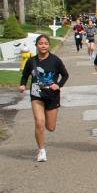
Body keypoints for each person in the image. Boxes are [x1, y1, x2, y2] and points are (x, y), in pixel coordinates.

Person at [18, 34, 69, 162]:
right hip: (37, 95)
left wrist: (58, 85)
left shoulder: (55, 60)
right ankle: (41, 150)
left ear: (49, 45)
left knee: (50, 127)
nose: (43, 46)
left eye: (46, 43)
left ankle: (45, 119)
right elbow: (25, 75)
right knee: (39, 122)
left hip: (52, 96)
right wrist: (22, 85)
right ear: (36, 45)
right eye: (40, 43)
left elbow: (65, 75)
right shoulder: (31, 61)